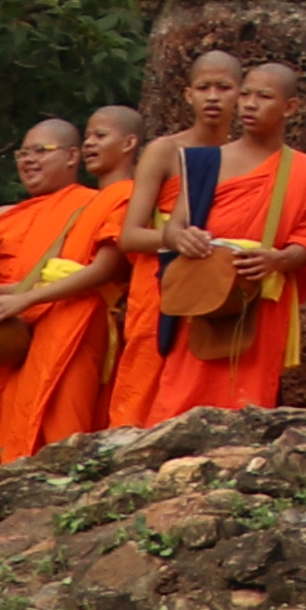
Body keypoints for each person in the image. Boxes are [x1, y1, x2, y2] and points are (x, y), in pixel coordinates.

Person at [125, 59, 306, 424]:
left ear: (291, 108)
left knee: (247, 400)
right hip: (203, 287)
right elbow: (177, 224)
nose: (250, 104)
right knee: (181, 395)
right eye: (246, 94)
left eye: (263, 97)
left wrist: (278, 260)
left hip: (259, 292)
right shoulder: (204, 161)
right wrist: (180, 237)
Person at [0, 119, 117, 487]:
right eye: (22, 153)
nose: (28, 160)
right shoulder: (0, 217)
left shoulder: (93, 206)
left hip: (56, 333)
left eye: (40, 151)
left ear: (72, 156)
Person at [104, 50, 242, 407]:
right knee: (144, 386)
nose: (213, 96)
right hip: (159, 281)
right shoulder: (165, 151)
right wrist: (175, 238)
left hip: (217, 282)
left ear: (240, 94)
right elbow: (129, 235)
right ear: (188, 95)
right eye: (204, 87)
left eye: (223, 87)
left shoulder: (247, 159)